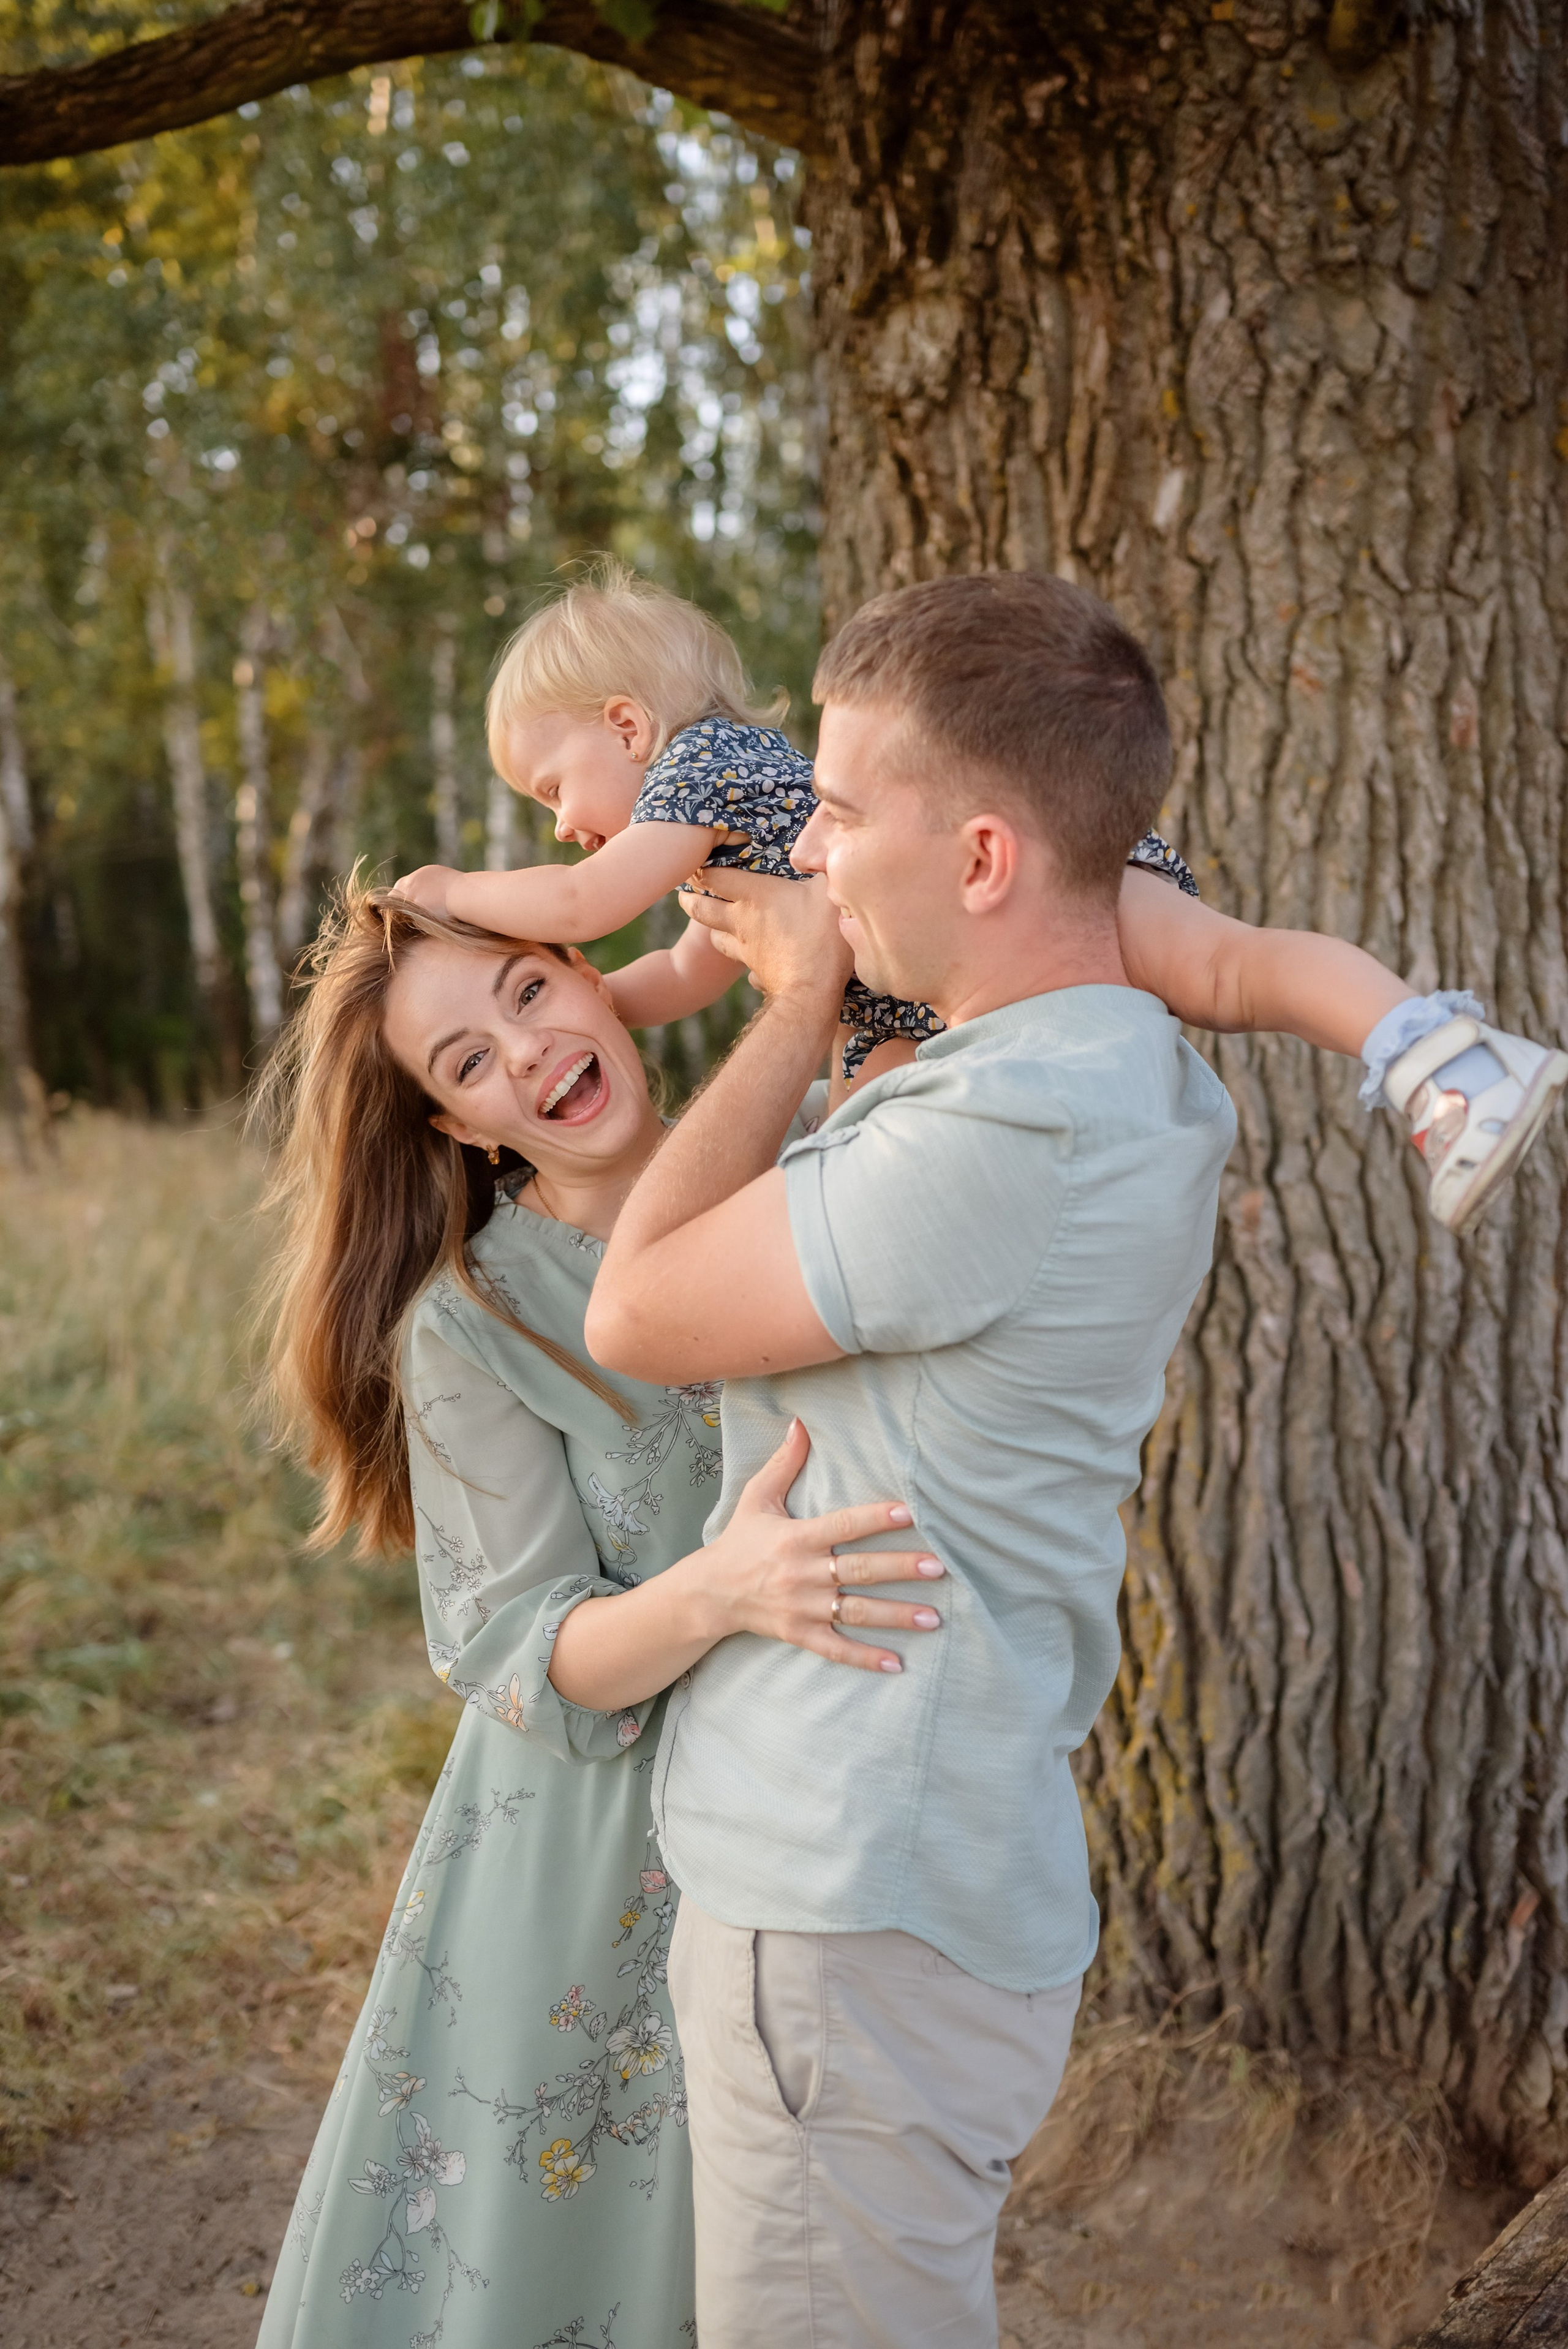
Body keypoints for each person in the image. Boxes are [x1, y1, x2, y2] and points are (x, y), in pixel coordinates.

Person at [254, 881, 943, 2349]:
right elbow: (519, 1646)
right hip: (591, 1865)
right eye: (463, 1063)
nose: (523, 1051)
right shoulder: (473, 1320)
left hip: (824, 1816)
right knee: (581, 2258)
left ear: (586, 972)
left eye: (522, 991)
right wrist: (723, 1586)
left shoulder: (799, 1159)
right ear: (457, 1129)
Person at [392, 561, 1566, 1234]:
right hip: (922, 1010)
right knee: (863, 1146)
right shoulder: (713, 864)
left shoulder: (703, 766)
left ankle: (1440, 1056)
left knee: (1226, 968)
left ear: (628, 727)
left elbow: (588, 897)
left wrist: (460, 891)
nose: (556, 820)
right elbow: (683, 976)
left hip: (1025, 908)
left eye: (553, 786)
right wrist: (591, 999)